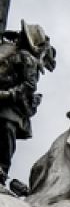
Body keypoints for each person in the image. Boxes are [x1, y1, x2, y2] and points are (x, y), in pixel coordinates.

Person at [0, 22, 56, 185]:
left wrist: (6, 95)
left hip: (11, 106)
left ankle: (1, 171)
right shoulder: (12, 51)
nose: (21, 36)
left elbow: (29, 86)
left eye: (24, 35)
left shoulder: (28, 59)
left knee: (6, 129)